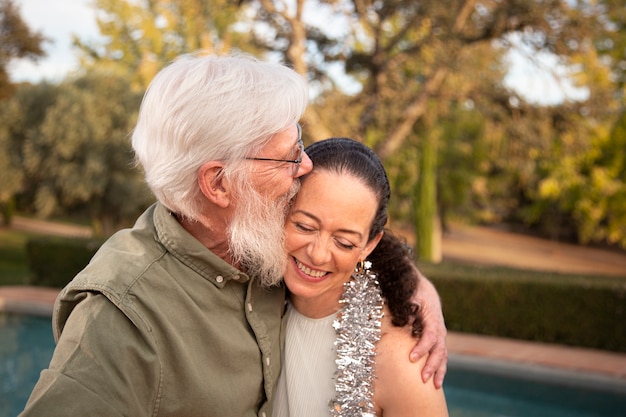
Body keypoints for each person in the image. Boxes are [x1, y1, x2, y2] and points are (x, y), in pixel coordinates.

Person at [19, 53, 447, 417]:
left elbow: (343, 233)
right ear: (220, 185)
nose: (305, 167)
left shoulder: (258, 241)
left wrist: (415, 286)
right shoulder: (119, 320)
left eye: (300, 145)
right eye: (288, 157)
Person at [274, 138, 449, 416]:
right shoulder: (252, 286)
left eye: (344, 242)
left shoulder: (398, 359)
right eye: (305, 226)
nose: (318, 255)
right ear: (279, 209)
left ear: (369, 245)